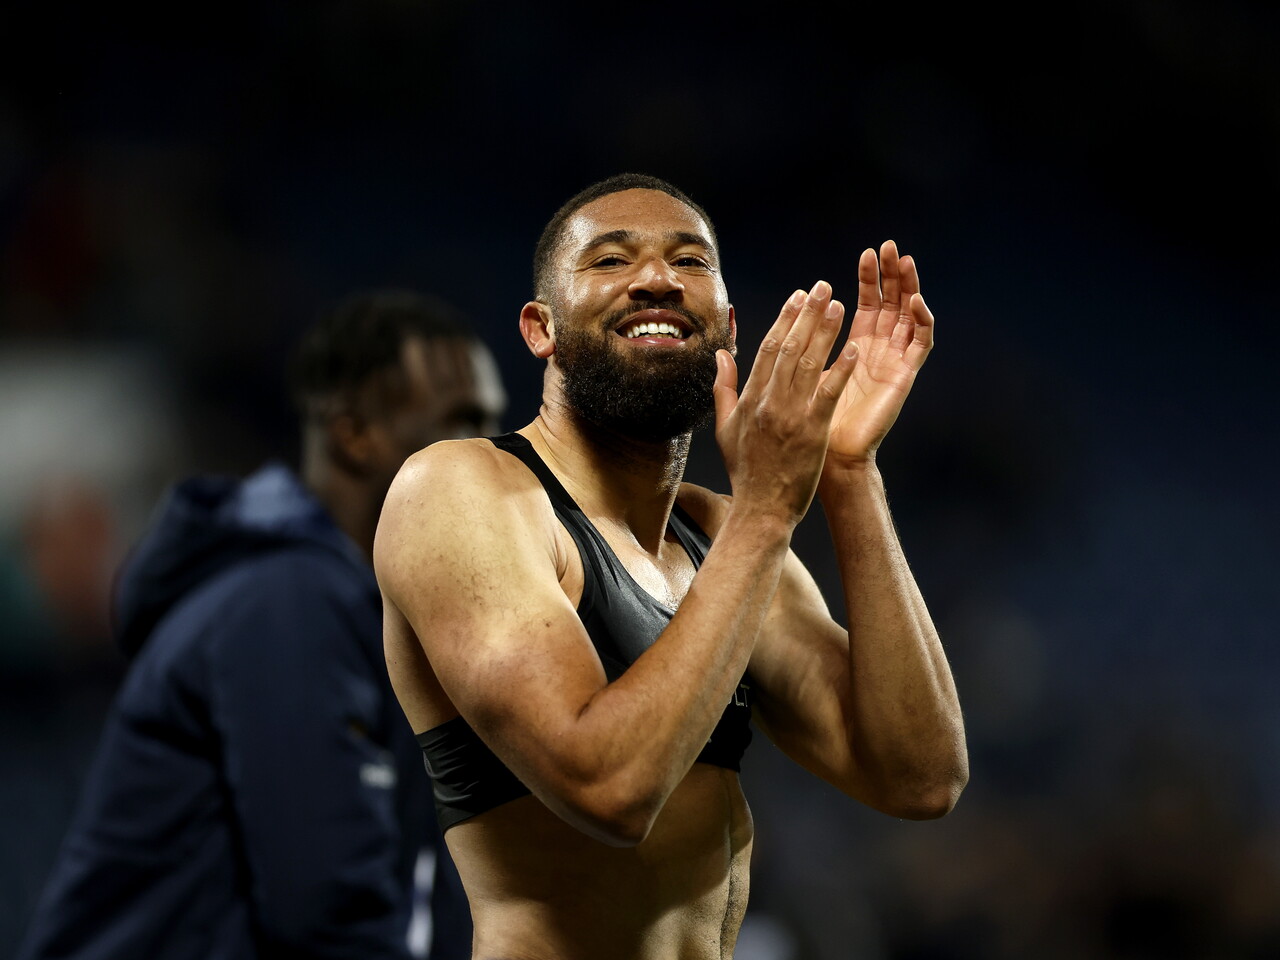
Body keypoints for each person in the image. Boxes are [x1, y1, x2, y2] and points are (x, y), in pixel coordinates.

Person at [376, 174, 969, 958]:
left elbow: (918, 778)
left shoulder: (720, 534)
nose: (656, 279)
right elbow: (608, 791)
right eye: (609, 261)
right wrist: (766, 511)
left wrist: (848, 472)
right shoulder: (460, 492)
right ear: (539, 329)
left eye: (689, 261)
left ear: (726, 328)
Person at [18, 291, 505, 960]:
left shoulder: (376, 617)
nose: (484, 454)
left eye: (487, 422)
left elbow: (430, 902)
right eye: (453, 421)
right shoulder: (288, 604)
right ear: (353, 435)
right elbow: (327, 919)